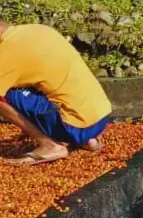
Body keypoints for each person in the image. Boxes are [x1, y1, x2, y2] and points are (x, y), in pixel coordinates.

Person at [0, 21, 111, 166]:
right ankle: (87, 140)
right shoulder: (37, 29)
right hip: (101, 117)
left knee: (6, 95)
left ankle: (50, 146)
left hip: (74, 126)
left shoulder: (7, 53)